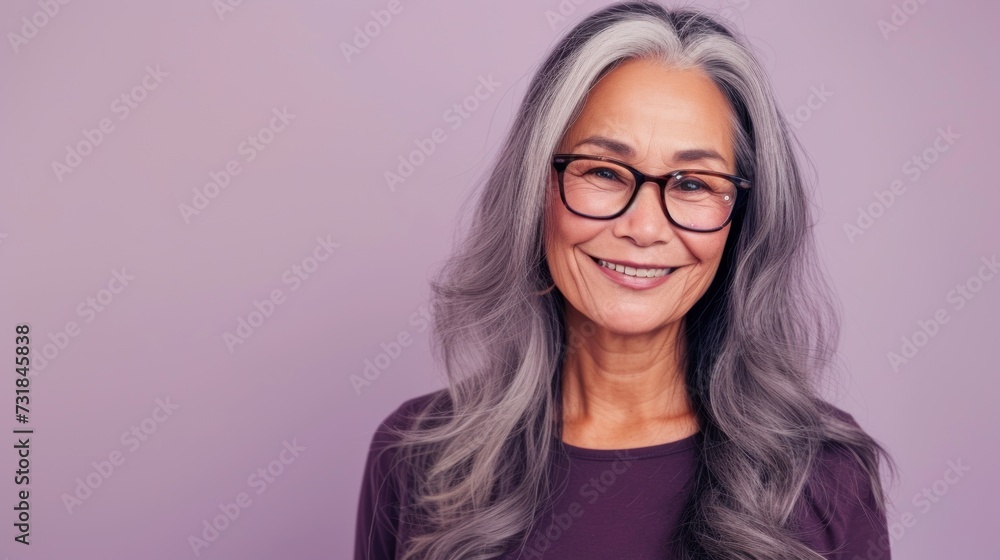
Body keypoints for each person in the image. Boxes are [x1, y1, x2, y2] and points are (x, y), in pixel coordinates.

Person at [355, 2, 897, 558]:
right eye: (605, 172)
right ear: (535, 193)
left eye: (693, 184)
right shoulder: (419, 455)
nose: (643, 228)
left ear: (741, 221)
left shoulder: (823, 473)